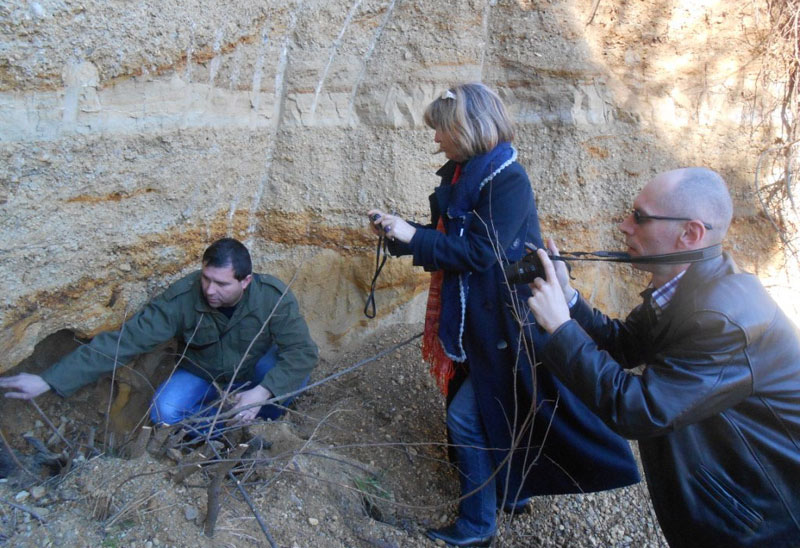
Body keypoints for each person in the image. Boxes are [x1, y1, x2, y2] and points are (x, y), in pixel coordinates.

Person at [367, 83, 639, 547]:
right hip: (483, 319)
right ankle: (510, 492)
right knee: (505, 409)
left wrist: (413, 235)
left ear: (466, 129)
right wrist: (398, 235)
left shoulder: (507, 178)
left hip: (511, 326)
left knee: (468, 418)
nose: (435, 139)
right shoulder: (466, 173)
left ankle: (477, 526)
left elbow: (478, 251)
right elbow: (454, 246)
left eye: (441, 130)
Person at [527, 167, 800, 548]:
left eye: (639, 217)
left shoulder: (723, 317)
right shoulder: (687, 287)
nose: (624, 226)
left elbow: (639, 409)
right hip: (736, 500)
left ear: (690, 233)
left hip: (765, 518)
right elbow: (623, 345)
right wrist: (569, 298)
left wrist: (561, 330)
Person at [0, 238, 319, 434]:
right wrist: (49, 380)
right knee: (165, 411)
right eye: (206, 278)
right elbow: (125, 341)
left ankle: (263, 423)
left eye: (222, 284)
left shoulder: (273, 296)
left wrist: (262, 392)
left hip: (252, 371)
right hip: (202, 373)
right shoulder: (182, 298)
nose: (210, 290)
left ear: (246, 281)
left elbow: (303, 352)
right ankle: (223, 426)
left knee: (292, 377)